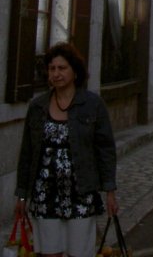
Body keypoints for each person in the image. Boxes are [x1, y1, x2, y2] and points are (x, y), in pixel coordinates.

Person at [14, 42, 119, 257]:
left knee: (80, 252)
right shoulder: (38, 107)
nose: (56, 74)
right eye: (52, 69)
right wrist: (22, 196)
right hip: (45, 192)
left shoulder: (92, 105)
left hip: (80, 191)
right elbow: (27, 154)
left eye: (62, 68)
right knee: (49, 252)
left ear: (75, 72)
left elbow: (105, 149)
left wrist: (110, 191)